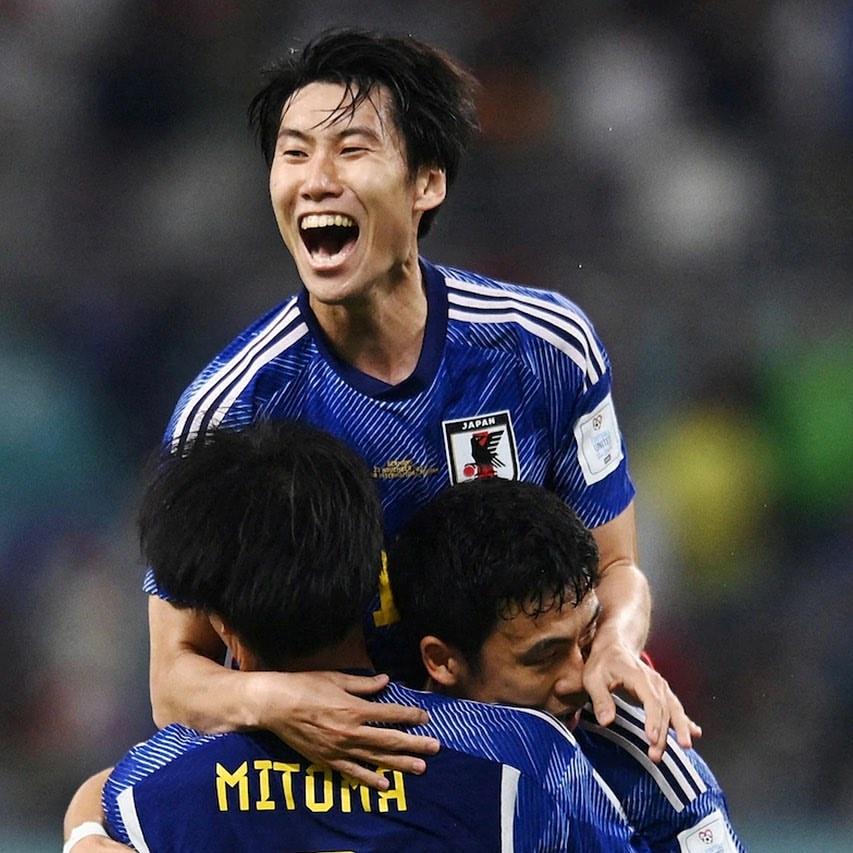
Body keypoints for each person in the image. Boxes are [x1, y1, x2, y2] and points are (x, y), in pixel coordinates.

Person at [148, 27, 699, 789]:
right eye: (294, 152)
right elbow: (174, 677)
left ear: (426, 182)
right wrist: (279, 699)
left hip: (521, 753)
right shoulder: (232, 409)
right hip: (331, 769)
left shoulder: (542, 349)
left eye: (351, 149)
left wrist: (614, 643)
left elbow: (617, 566)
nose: (315, 179)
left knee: (662, 758)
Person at [65, 420, 640, 852]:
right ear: (374, 586)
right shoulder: (527, 760)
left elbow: (104, 793)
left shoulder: (151, 791)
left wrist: (85, 831)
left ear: (224, 629)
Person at [387, 478, 744, 853]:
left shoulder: (650, 776)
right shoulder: (362, 756)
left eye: (587, 639)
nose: (580, 679)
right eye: (544, 657)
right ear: (443, 661)